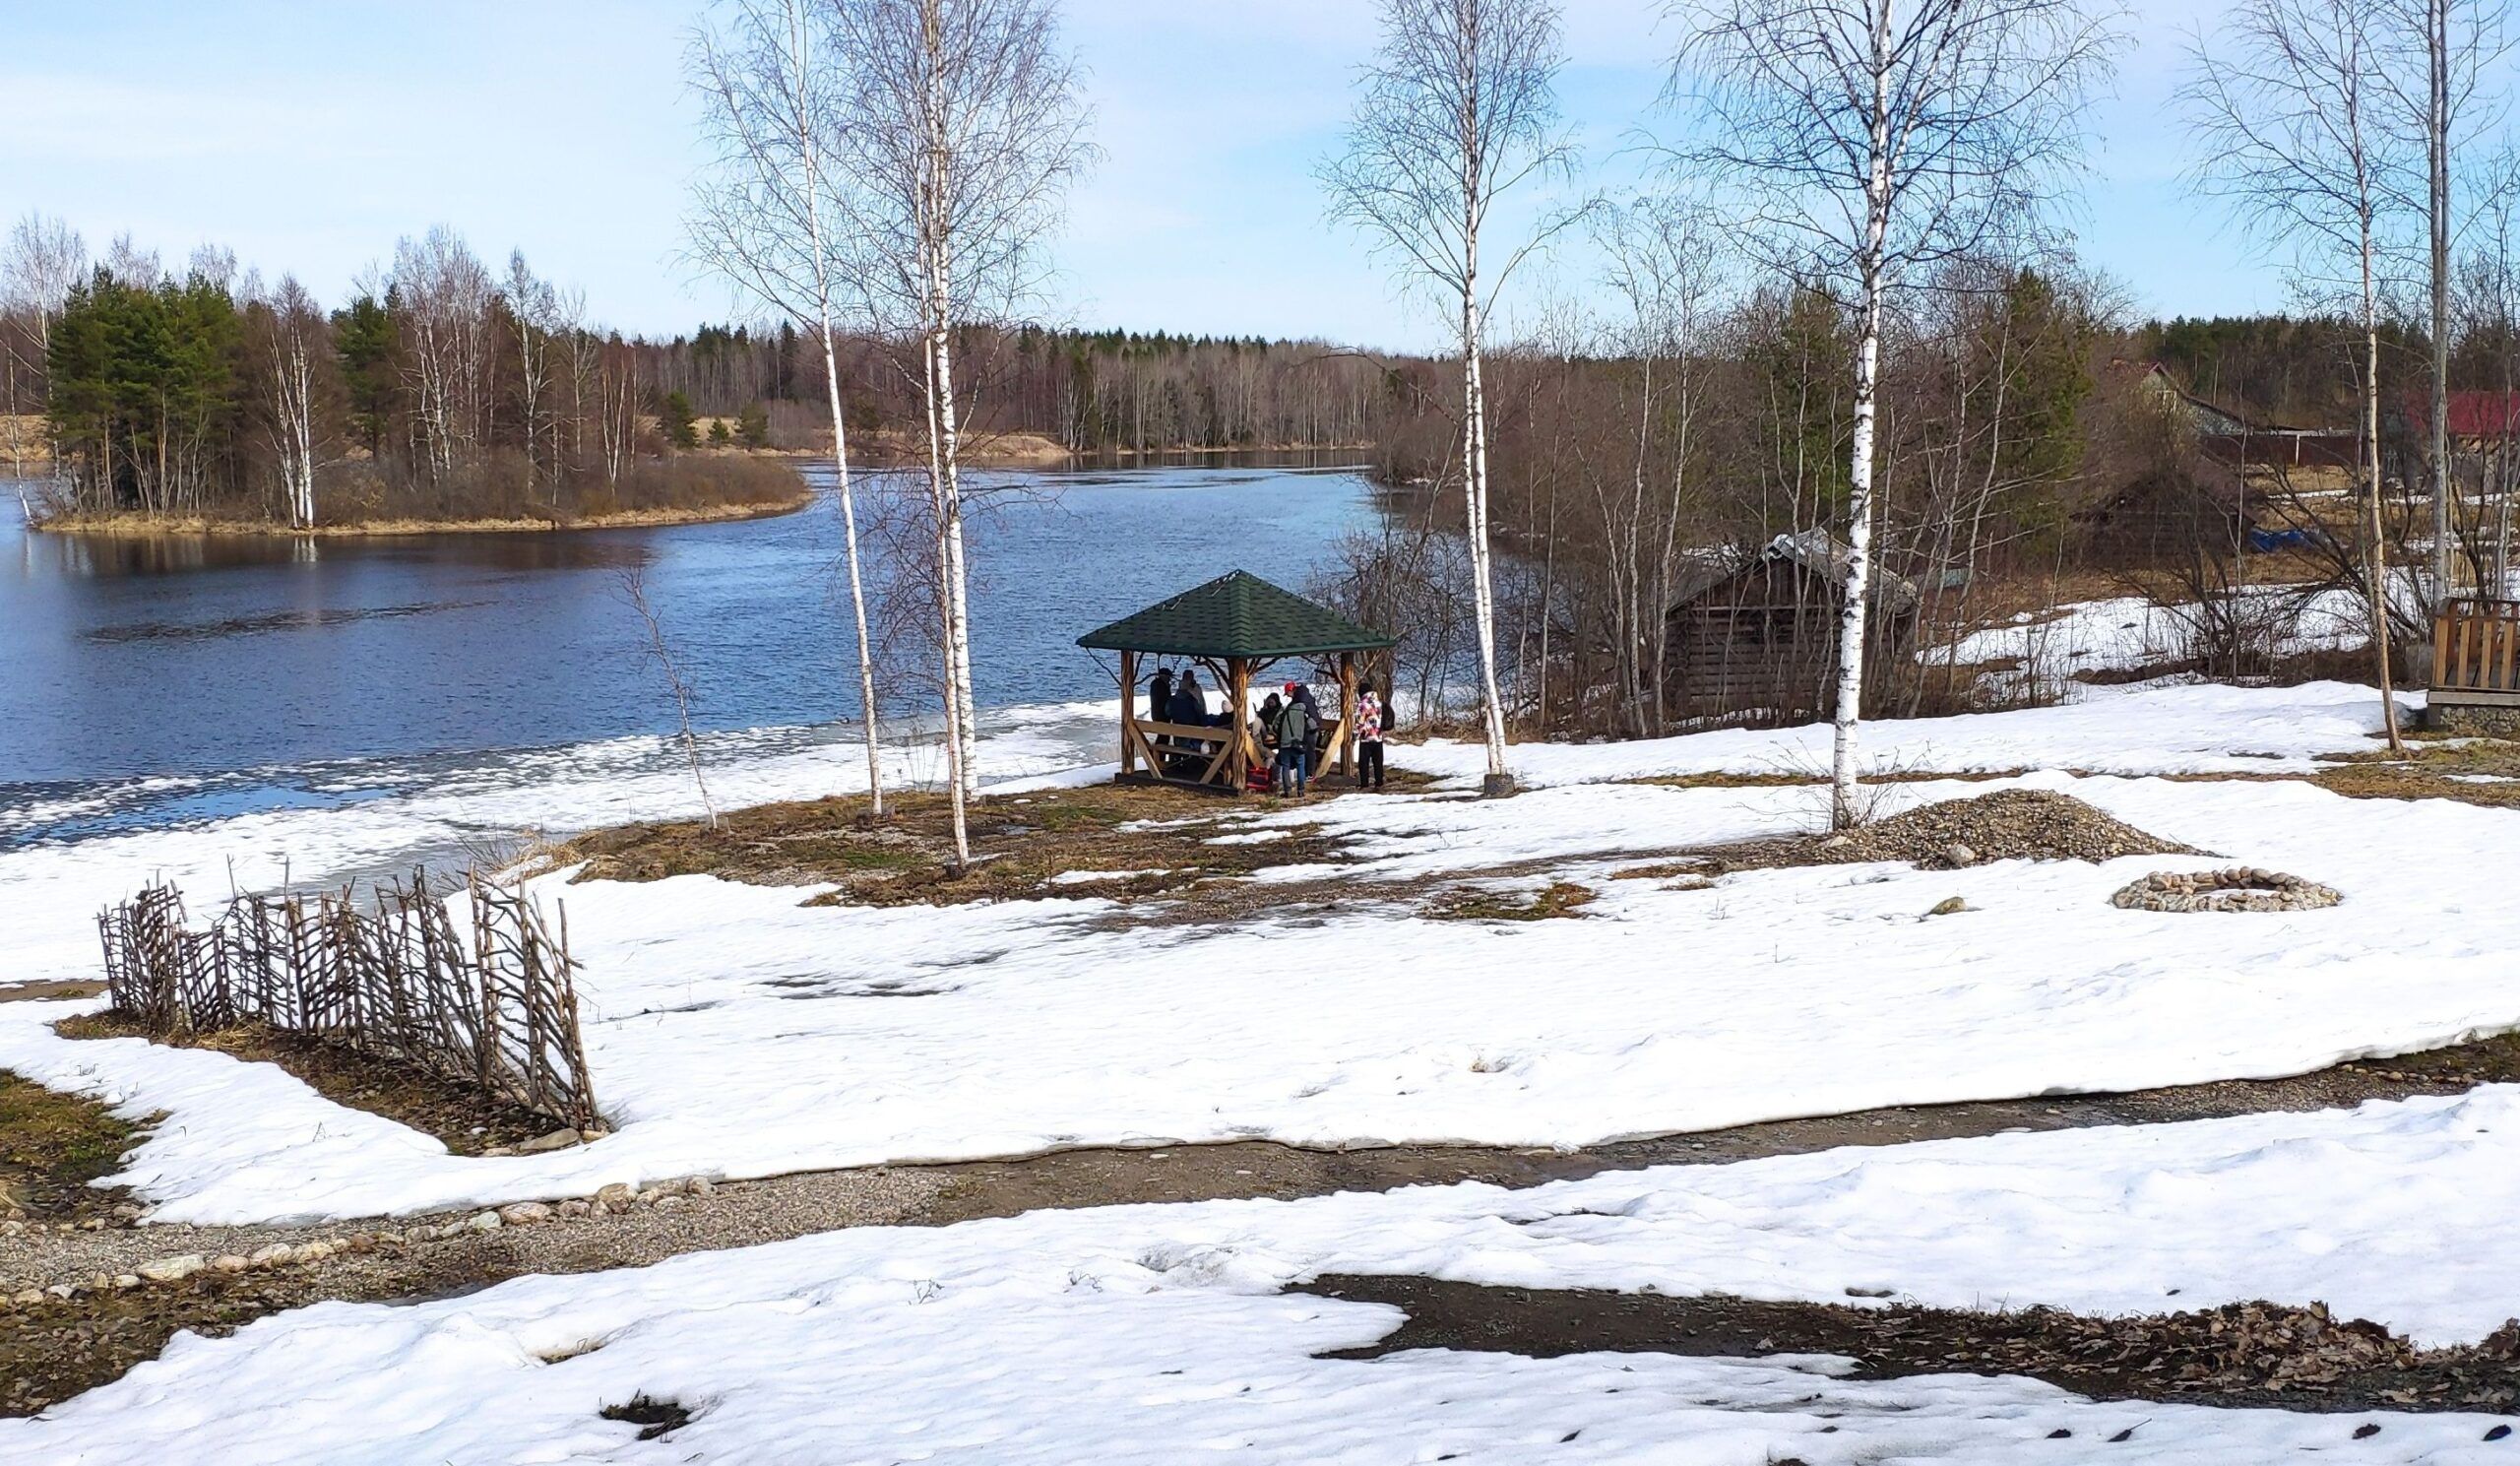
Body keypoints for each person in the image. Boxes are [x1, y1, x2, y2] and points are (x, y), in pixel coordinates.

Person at [1270, 680, 1316, 797]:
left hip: (1285, 743)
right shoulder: (1304, 711)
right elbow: (1311, 726)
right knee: (1301, 765)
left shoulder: (1285, 711)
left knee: (1285, 766)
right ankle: (1301, 790)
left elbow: (1275, 725)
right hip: (1298, 743)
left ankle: (1287, 791)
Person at [1354, 680, 1388, 792]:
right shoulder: (1379, 703)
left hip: (1366, 738)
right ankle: (1379, 782)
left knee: (1364, 762)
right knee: (1378, 762)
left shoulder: (1362, 705)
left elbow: (1359, 722)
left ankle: (1364, 784)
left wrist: (1354, 735)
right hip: (1378, 737)